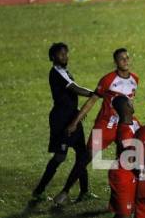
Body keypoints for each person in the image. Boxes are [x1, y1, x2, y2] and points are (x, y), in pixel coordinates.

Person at [53, 48, 139, 204]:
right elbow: (91, 101)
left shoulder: (135, 79)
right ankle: (65, 191)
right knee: (87, 156)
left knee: (125, 160)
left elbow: (130, 104)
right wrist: (74, 123)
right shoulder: (107, 80)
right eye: (122, 59)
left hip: (124, 125)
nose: (126, 60)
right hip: (105, 125)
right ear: (116, 62)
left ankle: (120, 198)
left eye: (127, 57)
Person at [32, 42, 93, 201]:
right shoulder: (57, 72)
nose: (65, 56)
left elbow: (68, 96)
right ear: (53, 57)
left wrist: (78, 110)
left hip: (72, 117)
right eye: (61, 54)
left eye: (66, 53)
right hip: (62, 121)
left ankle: (84, 192)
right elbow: (74, 89)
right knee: (60, 156)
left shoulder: (64, 71)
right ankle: (39, 191)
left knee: (82, 154)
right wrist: (95, 93)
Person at [108, 95, 141, 218]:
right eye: (130, 102)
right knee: (124, 214)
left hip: (130, 173)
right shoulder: (124, 132)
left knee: (132, 210)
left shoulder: (135, 121)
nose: (133, 103)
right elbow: (130, 160)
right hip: (123, 174)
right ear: (127, 107)